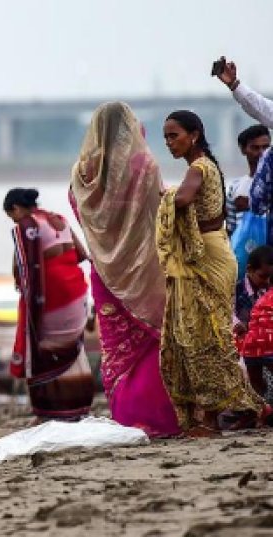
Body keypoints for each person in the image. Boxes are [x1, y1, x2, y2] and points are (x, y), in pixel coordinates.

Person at [69, 102, 179, 437]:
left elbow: (81, 213)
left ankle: (128, 416)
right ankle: (161, 417)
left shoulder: (83, 172)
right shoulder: (143, 165)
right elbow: (160, 212)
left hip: (105, 270)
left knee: (119, 345)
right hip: (144, 268)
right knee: (150, 339)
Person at [158, 110, 266, 436]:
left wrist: (161, 196)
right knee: (202, 335)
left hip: (207, 257)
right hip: (213, 250)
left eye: (174, 135)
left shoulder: (199, 168)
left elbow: (184, 198)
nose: (169, 143)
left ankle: (211, 419)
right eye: (165, 138)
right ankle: (242, 409)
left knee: (203, 338)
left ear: (194, 134)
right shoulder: (209, 165)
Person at [4, 188, 94, 421]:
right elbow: (82, 254)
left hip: (52, 297)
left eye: (10, 215)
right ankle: (77, 408)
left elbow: (21, 266)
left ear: (15, 208)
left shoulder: (27, 226)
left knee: (42, 349)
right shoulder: (60, 220)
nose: (13, 220)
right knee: (71, 349)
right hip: (76, 292)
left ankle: (49, 412)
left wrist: (26, 284)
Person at [235, 245, 273, 404]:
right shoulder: (236, 290)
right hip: (241, 345)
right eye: (263, 277)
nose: (267, 282)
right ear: (249, 269)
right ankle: (253, 409)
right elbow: (226, 314)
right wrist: (237, 324)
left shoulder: (268, 290)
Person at [226, 125, 270, 235]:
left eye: (266, 147)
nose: (262, 153)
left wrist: (251, 205)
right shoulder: (235, 187)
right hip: (245, 249)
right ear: (243, 149)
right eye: (255, 148)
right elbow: (231, 227)